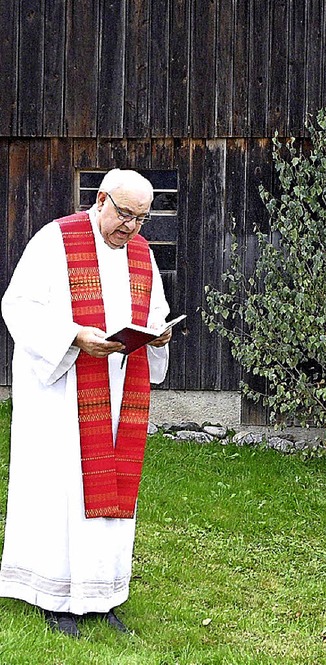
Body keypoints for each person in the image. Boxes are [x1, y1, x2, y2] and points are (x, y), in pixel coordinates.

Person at [0, 169, 172, 637]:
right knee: (62, 492)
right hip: (60, 395)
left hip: (117, 394)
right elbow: (18, 305)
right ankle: (53, 597)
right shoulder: (55, 241)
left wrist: (158, 333)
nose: (132, 227)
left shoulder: (141, 254)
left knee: (109, 490)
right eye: (124, 214)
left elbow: (153, 310)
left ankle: (102, 595)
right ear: (101, 200)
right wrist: (74, 336)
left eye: (141, 218)